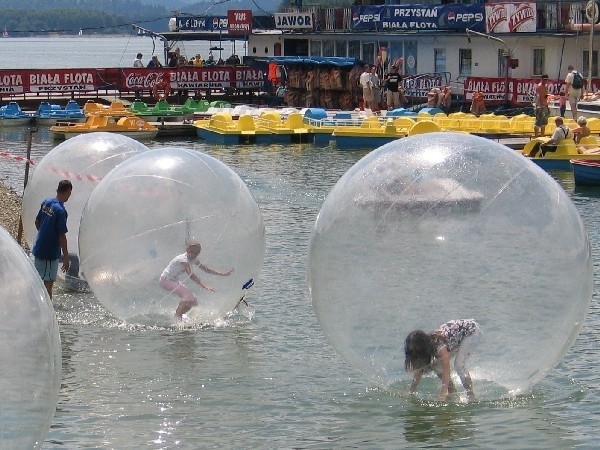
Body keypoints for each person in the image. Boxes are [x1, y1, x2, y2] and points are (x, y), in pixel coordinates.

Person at [405, 319, 482, 401]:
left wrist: (442, 395)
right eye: (411, 351)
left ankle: (471, 396)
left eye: (416, 350)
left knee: (458, 365)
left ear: (422, 347)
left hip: (471, 331)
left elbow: (446, 370)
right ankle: (452, 392)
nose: (414, 352)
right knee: (436, 365)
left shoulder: (439, 346)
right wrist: (411, 391)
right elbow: (419, 369)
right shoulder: (422, 348)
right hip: (457, 337)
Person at [159, 240, 234, 320]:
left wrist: (223, 274)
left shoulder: (193, 259)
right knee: (187, 296)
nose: (193, 254)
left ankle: (179, 314)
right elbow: (191, 275)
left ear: (199, 253)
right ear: (187, 250)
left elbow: (206, 269)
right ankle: (177, 319)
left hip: (173, 281)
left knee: (193, 301)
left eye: (196, 253)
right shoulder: (183, 259)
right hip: (165, 280)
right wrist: (204, 286)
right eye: (191, 252)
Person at [32, 179, 73, 299]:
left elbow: (37, 221)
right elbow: (62, 235)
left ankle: (36, 306)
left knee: (38, 281)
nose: (69, 197)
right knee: (48, 284)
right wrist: (66, 257)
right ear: (68, 192)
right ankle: (48, 314)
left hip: (39, 247)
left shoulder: (46, 202)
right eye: (69, 194)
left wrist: (44, 234)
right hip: (50, 253)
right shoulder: (61, 211)